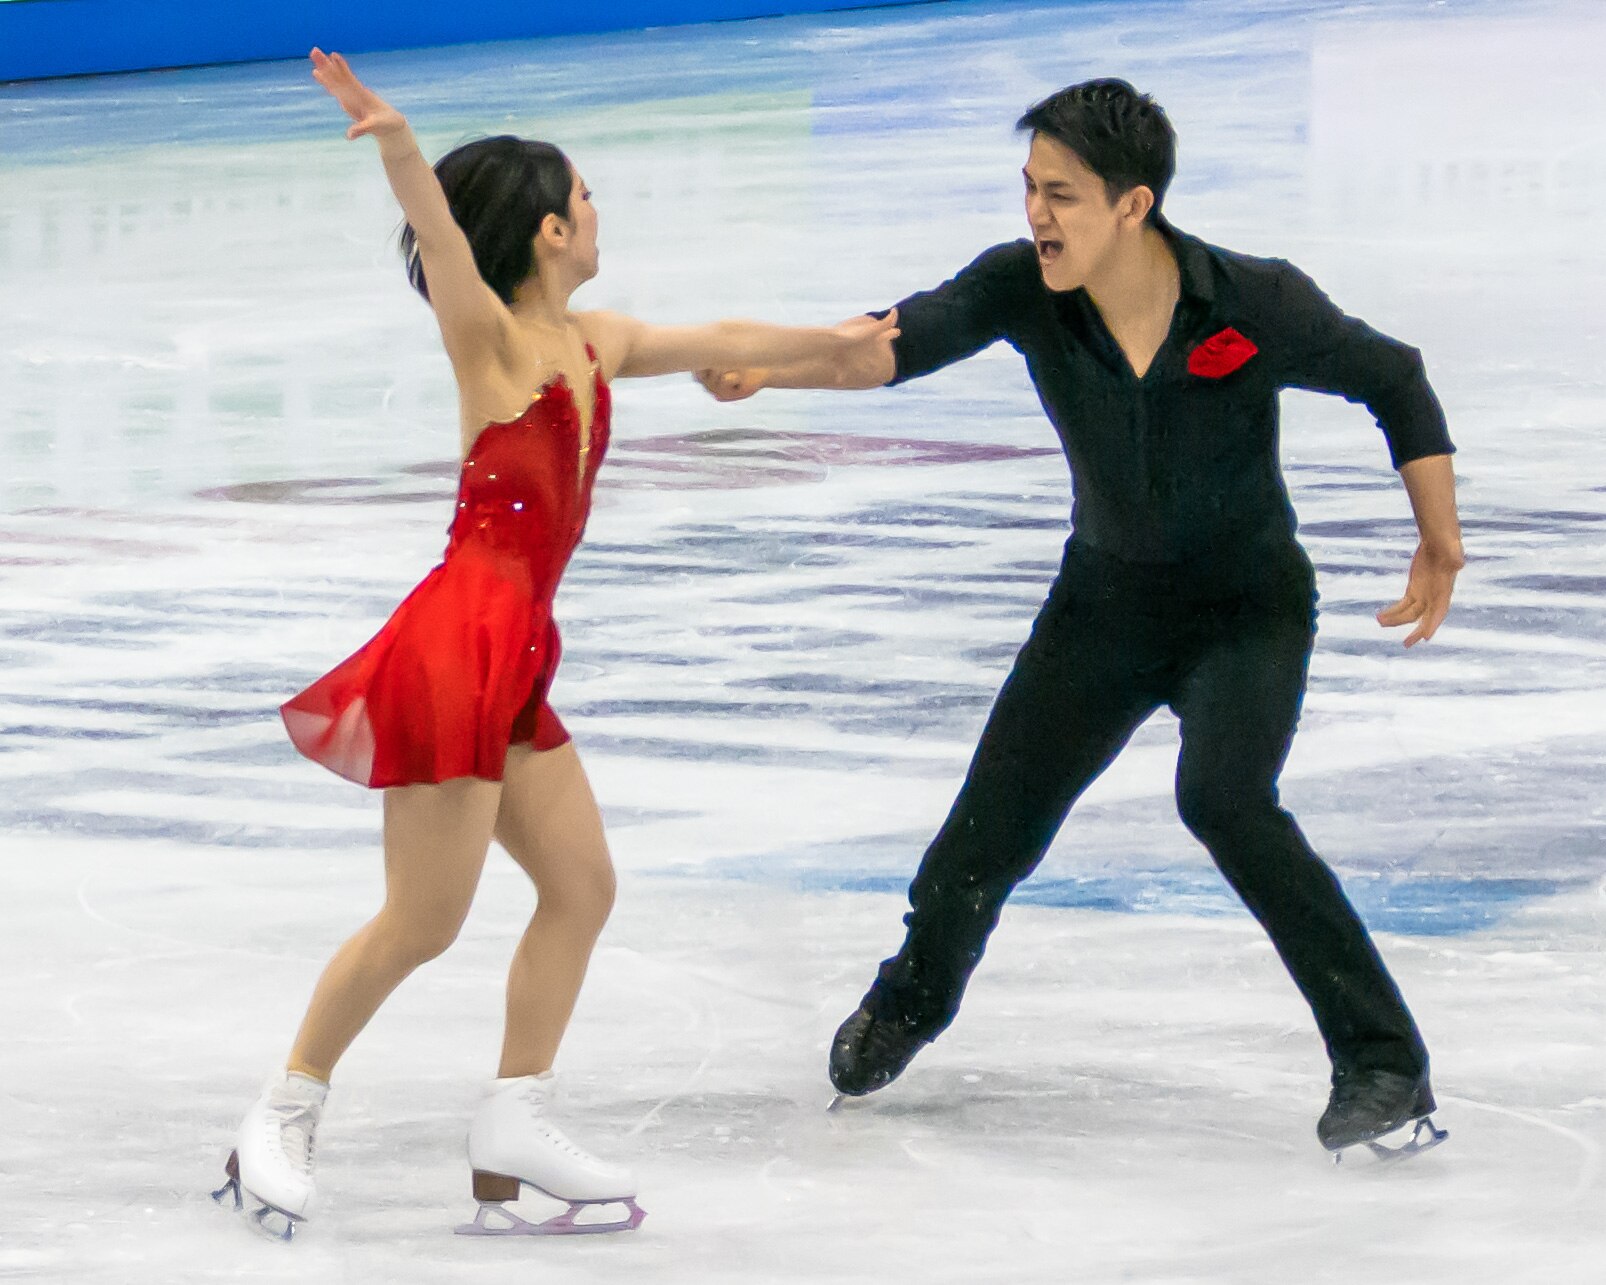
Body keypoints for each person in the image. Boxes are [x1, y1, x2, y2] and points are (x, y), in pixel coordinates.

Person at [696, 79, 1462, 1160]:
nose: (1036, 216)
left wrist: (1439, 533)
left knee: (1226, 801)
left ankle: (1383, 1063)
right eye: (1028, 190)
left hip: (1245, 610)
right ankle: (913, 998)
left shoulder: (1253, 301)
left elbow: (1397, 378)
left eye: (1059, 194)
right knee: (983, 834)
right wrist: (769, 369)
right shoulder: (1024, 289)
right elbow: (881, 344)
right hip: (1101, 607)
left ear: (1132, 206)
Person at [213, 49, 899, 1241]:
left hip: (518, 651)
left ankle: (514, 1117)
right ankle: (282, 1107)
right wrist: (397, 145)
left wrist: (845, 340)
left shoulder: (600, 341)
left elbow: (724, 334)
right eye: (583, 199)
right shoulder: (491, 346)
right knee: (422, 920)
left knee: (580, 886)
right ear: (543, 231)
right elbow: (437, 238)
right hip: (453, 646)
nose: (596, 214)